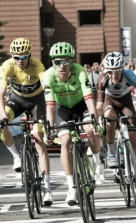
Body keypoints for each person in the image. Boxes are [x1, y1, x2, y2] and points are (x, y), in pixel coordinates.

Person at [43, 42, 104, 205]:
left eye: (65, 62)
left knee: (90, 130)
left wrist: (94, 120)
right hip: (62, 108)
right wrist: (49, 129)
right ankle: (71, 188)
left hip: (81, 105)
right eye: (57, 62)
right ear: (52, 63)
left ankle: (98, 163)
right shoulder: (48, 76)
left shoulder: (80, 71)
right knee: (65, 141)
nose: (61, 66)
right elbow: (50, 106)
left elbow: (89, 98)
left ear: (71, 61)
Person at [0, 38, 53, 206]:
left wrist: (50, 115)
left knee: (38, 139)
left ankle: (47, 189)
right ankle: (16, 157)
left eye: (23, 57)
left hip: (37, 102)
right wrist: (3, 114)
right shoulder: (8, 66)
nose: (19, 61)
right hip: (17, 100)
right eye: (16, 57)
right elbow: (0, 94)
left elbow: (47, 90)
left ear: (29, 56)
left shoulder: (37, 66)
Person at [96, 52, 136, 197]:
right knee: (109, 116)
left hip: (126, 103)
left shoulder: (129, 75)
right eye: (111, 72)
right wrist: (100, 117)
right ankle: (111, 152)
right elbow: (99, 104)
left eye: (118, 71)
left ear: (122, 69)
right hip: (109, 102)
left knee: (132, 139)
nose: (114, 75)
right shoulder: (103, 77)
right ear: (106, 71)